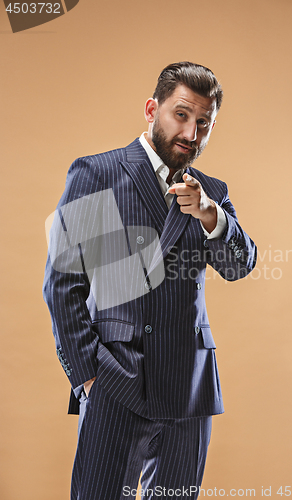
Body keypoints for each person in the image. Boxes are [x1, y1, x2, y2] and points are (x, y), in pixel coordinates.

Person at [43, 61, 257, 500]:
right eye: (181, 115)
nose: (191, 134)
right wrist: (88, 379)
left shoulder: (211, 190)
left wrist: (209, 215)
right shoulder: (97, 173)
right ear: (151, 109)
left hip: (189, 385)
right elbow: (62, 284)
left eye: (204, 123)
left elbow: (240, 266)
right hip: (116, 380)